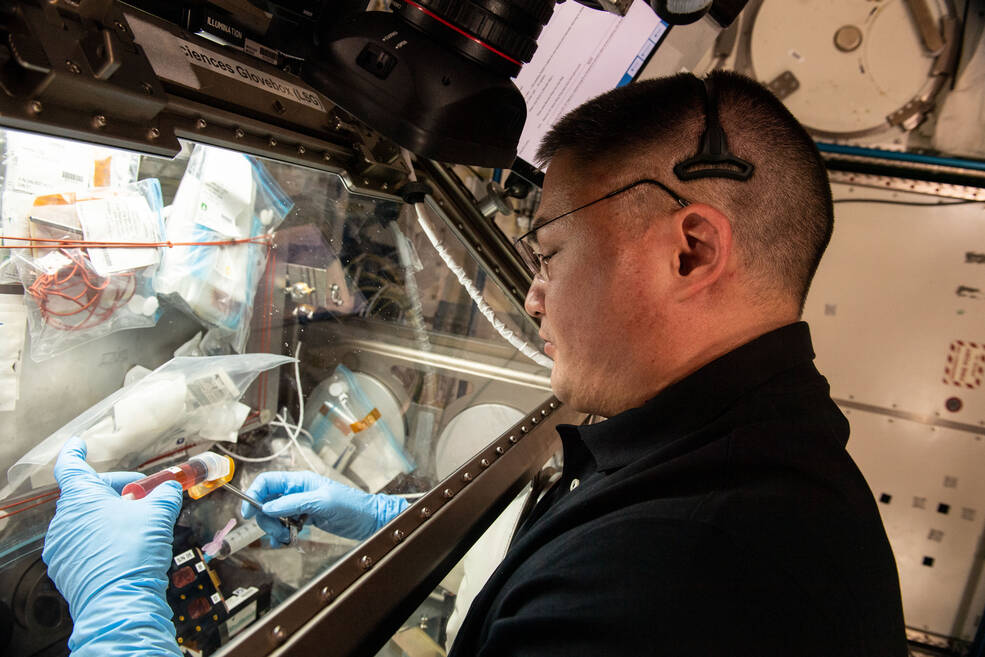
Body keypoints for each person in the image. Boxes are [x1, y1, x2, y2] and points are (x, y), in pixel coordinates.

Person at [42, 70, 907, 656]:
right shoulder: (758, 464)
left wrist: (123, 626)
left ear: (689, 250)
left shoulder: (681, 578)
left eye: (549, 252)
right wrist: (389, 519)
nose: (532, 297)